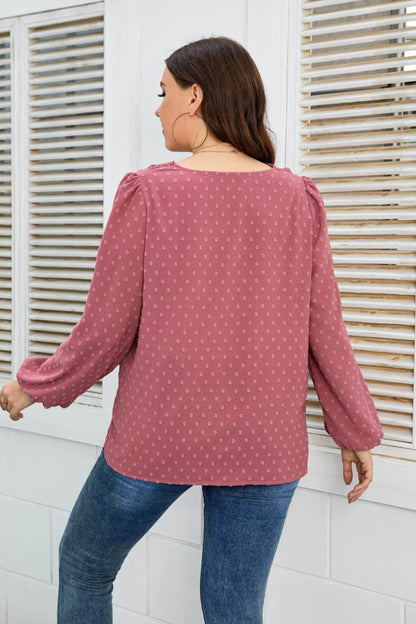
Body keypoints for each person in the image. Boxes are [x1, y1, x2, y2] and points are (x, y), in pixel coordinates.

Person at [0, 36, 384, 624]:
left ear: (195, 97)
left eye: (164, 93)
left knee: (84, 563)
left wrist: (35, 385)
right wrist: (355, 427)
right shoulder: (298, 198)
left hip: (159, 432)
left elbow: (107, 328)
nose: (158, 109)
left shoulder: (149, 192)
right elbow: (324, 329)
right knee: (234, 607)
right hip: (264, 442)